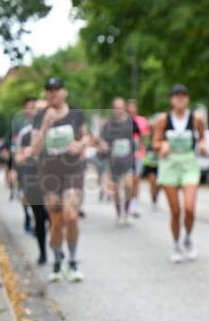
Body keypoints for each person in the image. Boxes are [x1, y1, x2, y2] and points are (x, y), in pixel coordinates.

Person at [31, 77, 90, 282]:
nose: (53, 93)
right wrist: (46, 125)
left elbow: (86, 136)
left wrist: (80, 145)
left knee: (71, 216)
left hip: (72, 171)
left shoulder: (76, 113)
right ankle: (57, 261)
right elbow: (34, 148)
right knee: (56, 222)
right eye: (49, 90)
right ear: (46, 93)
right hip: (49, 174)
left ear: (64, 92)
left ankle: (73, 260)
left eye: (57, 89)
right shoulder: (40, 116)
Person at [153, 84, 206, 263]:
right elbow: (155, 143)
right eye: (176, 95)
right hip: (170, 164)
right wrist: (162, 145)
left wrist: (203, 145)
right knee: (175, 211)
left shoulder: (196, 118)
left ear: (187, 98)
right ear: (171, 99)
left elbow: (202, 136)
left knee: (189, 208)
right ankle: (176, 244)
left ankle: (188, 239)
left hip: (189, 162)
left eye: (183, 94)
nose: (180, 98)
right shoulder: (163, 119)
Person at [15, 99, 49, 264]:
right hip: (32, 178)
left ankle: (56, 247)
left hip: (51, 178)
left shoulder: (54, 131)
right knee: (40, 217)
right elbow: (18, 158)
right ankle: (43, 252)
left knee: (53, 215)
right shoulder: (26, 133)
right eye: (37, 109)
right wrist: (26, 154)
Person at [99, 97, 137, 226]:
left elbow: (140, 135)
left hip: (128, 159)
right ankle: (119, 213)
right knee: (115, 189)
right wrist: (103, 144)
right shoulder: (108, 124)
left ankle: (127, 211)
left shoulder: (130, 122)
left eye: (120, 106)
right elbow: (102, 140)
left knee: (128, 185)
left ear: (124, 107)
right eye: (116, 107)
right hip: (114, 160)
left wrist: (139, 150)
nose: (118, 109)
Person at [127, 98, 150, 217]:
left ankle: (134, 205)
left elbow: (145, 135)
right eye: (129, 107)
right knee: (128, 181)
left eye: (133, 107)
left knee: (136, 180)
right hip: (126, 155)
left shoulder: (142, 121)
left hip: (138, 154)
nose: (131, 109)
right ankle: (127, 203)